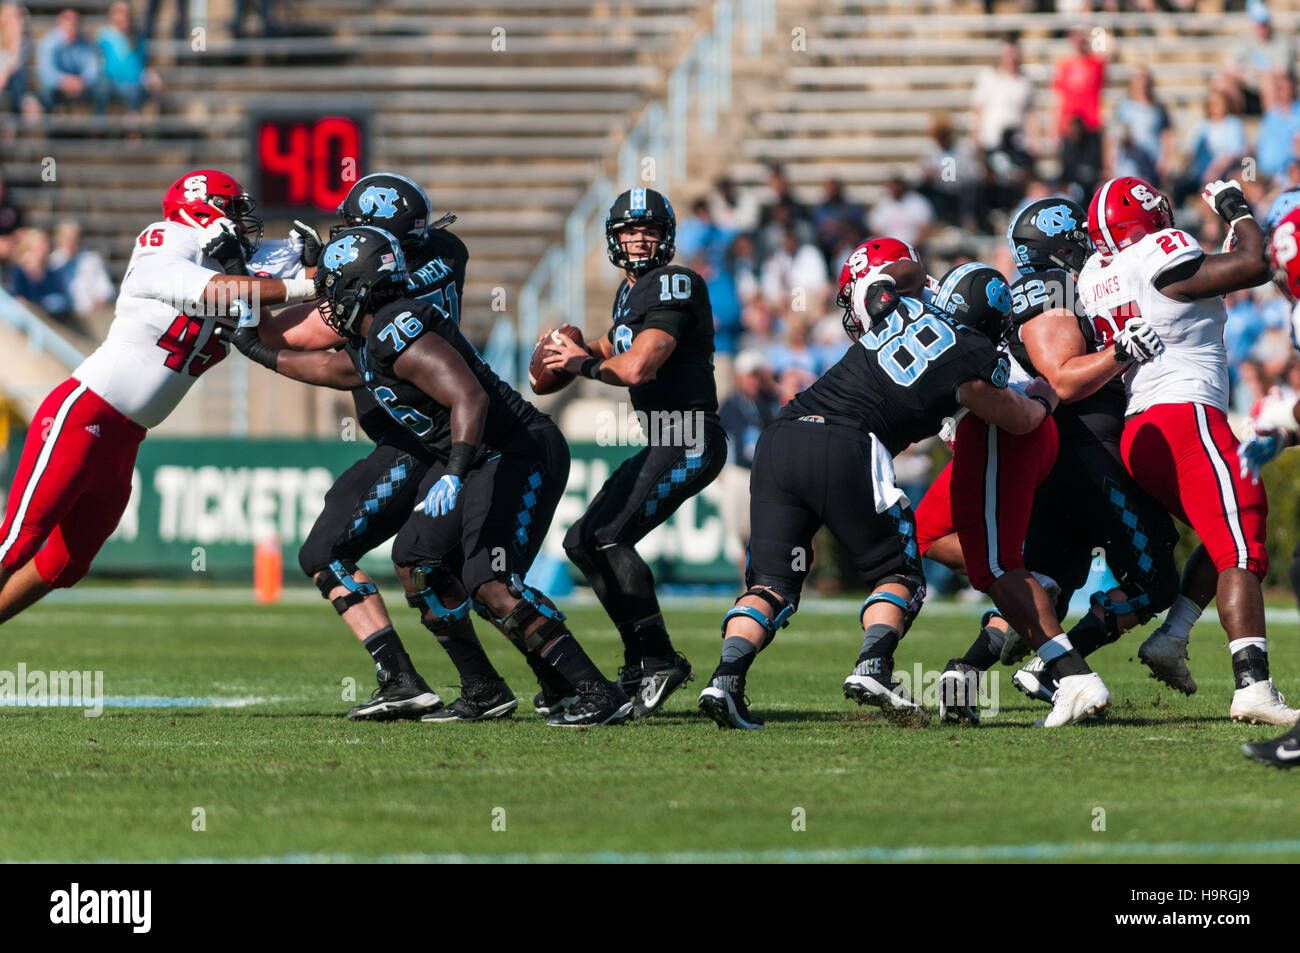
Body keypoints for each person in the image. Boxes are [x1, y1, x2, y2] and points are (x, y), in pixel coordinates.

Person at [237, 226, 633, 727]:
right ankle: (484, 688)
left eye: (334, 282)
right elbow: (338, 372)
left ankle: (596, 690)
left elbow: (470, 397)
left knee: (489, 580)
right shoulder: (371, 332)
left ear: (360, 285)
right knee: (416, 560)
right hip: (479, 457)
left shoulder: (397, 323)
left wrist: (455, 471)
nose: (326, 295)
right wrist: (259, 352)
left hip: (514, 451)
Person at [697, 259, 1087, 730]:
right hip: (847, 444)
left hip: (781, 437)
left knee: (771, 585)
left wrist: (918, 274)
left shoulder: (894, 308)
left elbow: (881, 278)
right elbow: (1020, 419)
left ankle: (725, 679)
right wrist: (1046, 395)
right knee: (900, 573)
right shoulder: (974, 355)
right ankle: (874, 666)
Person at [0, 170, 317, 624]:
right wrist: (310, 282)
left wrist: (322, 263)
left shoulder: (231, 257)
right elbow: (220, 291)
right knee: (19, 541)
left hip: (127, 437)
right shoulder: (166, 240)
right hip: (85, 413)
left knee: (65, 565)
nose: (243, 224)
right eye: (232, 210)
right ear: (201, 211)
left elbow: (303, 279)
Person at [1080, 174, 1296, 726]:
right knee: (1242, 542)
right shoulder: (1160, 252)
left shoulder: (1096, 274)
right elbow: (1255, 265)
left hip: (1141, 433)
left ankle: (1173, 636)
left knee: (1225, 532)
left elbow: (1186, 296)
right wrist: (1236, 207)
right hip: (1187, 418)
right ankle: (1253, 687)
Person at [542, 187, 727, 718]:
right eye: (629, 230)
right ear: (613, 238)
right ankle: (639, 662)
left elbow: (635, 368)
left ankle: (660, 660)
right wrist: (568, 350)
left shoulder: (675, 283)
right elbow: (611, 346)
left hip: (689, 434)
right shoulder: (632, 294)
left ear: (666, 237)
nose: (638, 239)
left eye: (648, 230)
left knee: (608, 535)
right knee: (582, 541)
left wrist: (578, 362)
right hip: (665, 436)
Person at [718, 350, 777, 573]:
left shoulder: (767, 404)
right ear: (739, 377)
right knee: (737, 531)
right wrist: (720, 470)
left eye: (756, 376)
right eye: (749, 376)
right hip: (737, 472)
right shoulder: (731, 405)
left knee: (759, 530)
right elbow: (721, 437)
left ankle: (754, 578)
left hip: (760, 474)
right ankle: (747, 578)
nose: (753, 381)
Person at [35, 8, 104, 114]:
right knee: (46, 89)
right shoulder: (49, 41)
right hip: (57, 85)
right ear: (59, 22)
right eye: (67, 20)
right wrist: (64, 81)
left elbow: (92, 70)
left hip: (79, 85)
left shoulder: (86, 43)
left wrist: (81, 82)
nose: (71, 24)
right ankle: (49, 127)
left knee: (101, 88)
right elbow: (46, 72)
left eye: (75, 21)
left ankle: (98, 128)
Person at [97, 1, 158, 114]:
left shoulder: (137, 37)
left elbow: (142, 62)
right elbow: (108, 67)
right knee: (102, 87)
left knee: (142, 87)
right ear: (112, 15)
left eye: (127, 13)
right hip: (113, 83)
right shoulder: (104, 37)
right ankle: (99, 126)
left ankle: (132, 126)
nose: (124, 16)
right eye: (120, 12)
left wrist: (149, 75)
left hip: (133, 83)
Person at [48, 220, 113, 319]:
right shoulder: (53, 262)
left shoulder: (91, 259)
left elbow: (105, 287)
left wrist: (101, 298)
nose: (70, 242)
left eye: (73, 238)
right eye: (66, 238)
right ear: (58, 239)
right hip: (63, 316)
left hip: (90, 314)